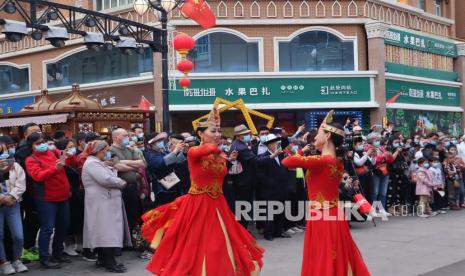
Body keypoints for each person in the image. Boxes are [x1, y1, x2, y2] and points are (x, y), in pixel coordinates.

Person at [141, 107, 264, 275]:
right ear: (200, 133)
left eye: (219, 131)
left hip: (219, 204)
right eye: (213, 131)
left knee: (221, 242)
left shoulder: (219, 153)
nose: (218, 134)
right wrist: (217, 141)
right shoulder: (194, 151)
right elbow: (208, 149)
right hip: (198, 205)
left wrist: (221, 147)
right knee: (197, 244)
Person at [282, 110, 370, 276]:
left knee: (323, 255)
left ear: (328, 136)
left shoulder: (321, 160)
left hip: (322, 215)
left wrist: (301, 151)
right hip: (333, 212)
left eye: (319, 133)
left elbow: (286, 161)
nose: (314, 137)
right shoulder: (337, 160)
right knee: (335, 254)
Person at [82, 141, 131, 273]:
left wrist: (110, 167)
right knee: (106, 231)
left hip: (105, 201)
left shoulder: (98, 163)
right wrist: (121, 182)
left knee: (105, 230)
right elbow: (106, 179)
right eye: (106, 149)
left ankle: (104, 259)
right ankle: (110, 263)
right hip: (101, 202)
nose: (107, 152)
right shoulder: (92, 164)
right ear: (99, 150)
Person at [25, 132, 71, 269]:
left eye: (43, 141)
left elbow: (67, 159)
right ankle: (44, 257)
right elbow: (38, 176)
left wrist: (67, 156)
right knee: (47, 229)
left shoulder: (52, 153)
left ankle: (58, 252)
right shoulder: (31, 159)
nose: (42, 145)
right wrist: (54, 168)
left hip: (63, 196)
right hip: (46, 199)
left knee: (63, 226)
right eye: (37, 143)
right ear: (31, 146)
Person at [109, 128, 146, 235]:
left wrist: (125, 162)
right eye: (124, 135)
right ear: (116, 138)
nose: (128, 137)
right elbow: (117, 166)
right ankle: (125, 238)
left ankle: (134, 236)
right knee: (125, 214)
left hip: (134, 186)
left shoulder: (130, 149)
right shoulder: (111, 150)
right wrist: (133, 167)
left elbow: (142, 163)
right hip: (122, 188)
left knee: (134, 213)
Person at [0, 138, 28, 274]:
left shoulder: (15, 165)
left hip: (13, 204)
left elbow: (21, 183)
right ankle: (4, 262)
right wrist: (2, 198)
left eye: (10, 147)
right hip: (1, 203)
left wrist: (12, 197)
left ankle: (17, 259)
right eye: (4, 148)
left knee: (18, 235)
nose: (7, 150)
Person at [14, 123, 41, 262]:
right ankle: (26, 247)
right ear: (25, 135)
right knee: (31, 218)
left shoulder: (38, 147)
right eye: (33, 131)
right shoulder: (23, 150)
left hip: (37, 189)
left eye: (39, 130)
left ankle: (29, 246)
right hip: (29, 190)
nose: (37, 133)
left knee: (35, 219)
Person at [256, 134, 291, 241]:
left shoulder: (280, 155)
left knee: (280, 211)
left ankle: (278, 231)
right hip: (270, 189)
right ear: (269, 145)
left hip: (281, 188)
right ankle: (268, 233)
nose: (275, 144)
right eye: (273, 142)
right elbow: (260, 175)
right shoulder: (263, 156)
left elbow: (284, 169)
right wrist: (271, 183)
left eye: (276, 142)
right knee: (270, 212)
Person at [230, 124, 256, 229]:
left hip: (240, 180)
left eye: (247, 133)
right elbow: (255, 161)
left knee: (242, 206)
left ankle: (242, 229)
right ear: (238, 136)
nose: (247, 135)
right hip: (244, 181)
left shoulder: (237, 144)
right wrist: (271, 156)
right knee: (244, 206)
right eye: (245, 134)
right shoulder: (241, 147)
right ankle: (243, 230)